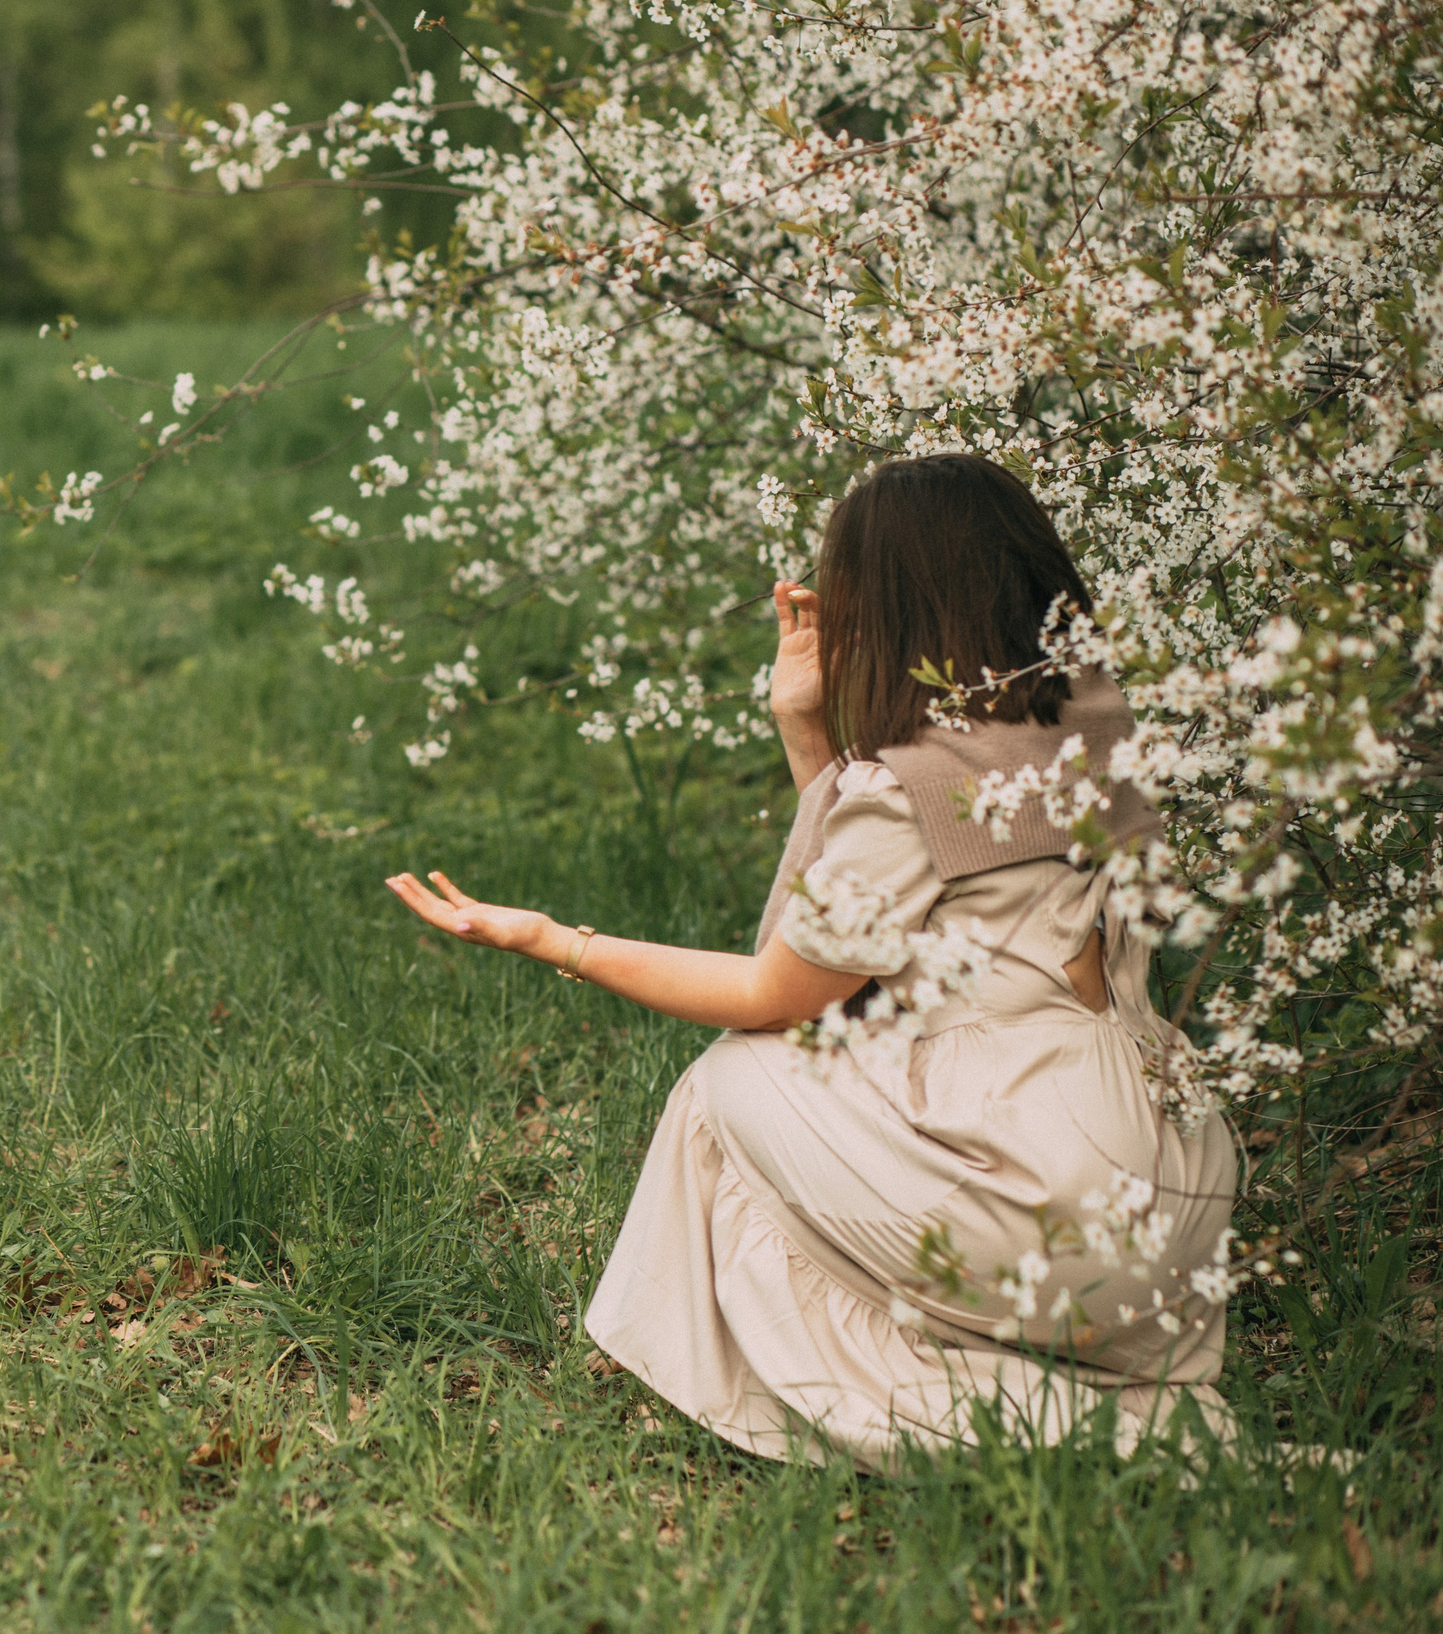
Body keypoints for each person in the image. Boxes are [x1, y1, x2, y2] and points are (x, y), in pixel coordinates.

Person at [385, 454, 1239, 1469]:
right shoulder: (1096, 721)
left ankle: (854, 1383)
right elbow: (872, 907)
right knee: (809, 1066)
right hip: (1167, 1184)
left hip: (1046, 1200)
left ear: (891, 606)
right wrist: (807, 726)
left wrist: (556, 942)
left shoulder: (912, 787)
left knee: (731, 1080)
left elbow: (779, 992)